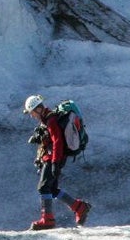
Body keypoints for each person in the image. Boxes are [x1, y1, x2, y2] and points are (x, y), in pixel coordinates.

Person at [23, 94, 91, 230]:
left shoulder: (51, 120)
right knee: (52, 189)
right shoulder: (48, 119)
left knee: (43, 187)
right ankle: (79, 207)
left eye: (31, 113)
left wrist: (54, 163)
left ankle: (47, 220)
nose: (32, 116)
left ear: (37, 109)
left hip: (53, 159)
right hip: (54, 159)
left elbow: (57, 142)